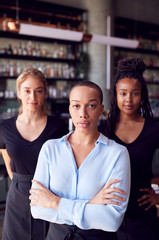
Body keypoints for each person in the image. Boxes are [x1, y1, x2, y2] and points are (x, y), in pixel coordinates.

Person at [29, 80, 130, 240]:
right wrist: (92, 204)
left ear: (101, 109)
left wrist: (55, 202)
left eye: (91, 105)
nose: (83, 113)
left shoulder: (117, 153)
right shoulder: (50, 149)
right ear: (70, 109)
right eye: (76, 106)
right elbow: (37, 209)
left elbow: (111, 220)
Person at [0, 68, 68, 240]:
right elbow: (9, 164)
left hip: (48, 194)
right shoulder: (5, 127)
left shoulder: (58, 126)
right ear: (19, 93)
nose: (33, 97)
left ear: (45, 93)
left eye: (38, 91)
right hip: (17, 197)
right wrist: (20, 184)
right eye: (27, 91)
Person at [104, 57, 159, 240]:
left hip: (143, 214)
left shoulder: (153, 128)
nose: (129, 99)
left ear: (142, 95)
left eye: (135, 93)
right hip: (107, 213)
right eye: (123, 93)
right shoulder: (104, 129)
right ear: (115, 95)